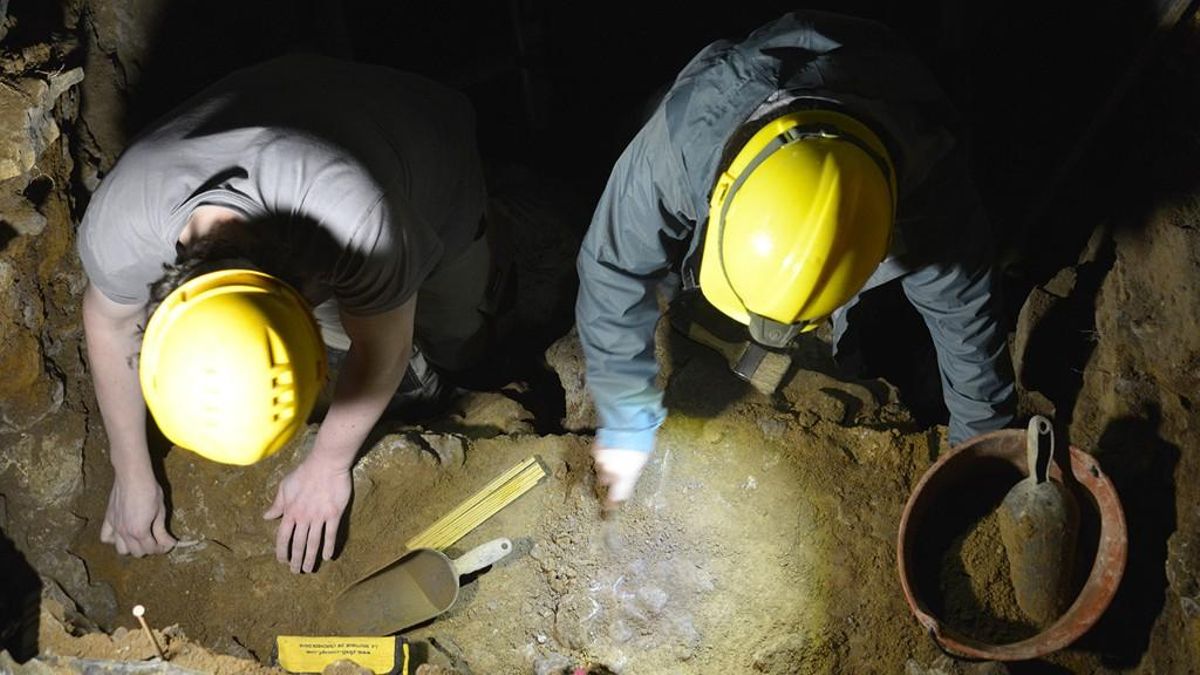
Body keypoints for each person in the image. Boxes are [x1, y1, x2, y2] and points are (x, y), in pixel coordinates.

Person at [79, 53, 509, 573]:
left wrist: (329, 464)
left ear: (310, 295)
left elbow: (383, 346)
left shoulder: (361, 224)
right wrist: (130, 471)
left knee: (459, 327)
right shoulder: (121, 228)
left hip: (424, 140)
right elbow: (109, 321)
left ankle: (505, 258)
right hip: (297, 106)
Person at [576, 10, 1016, 508]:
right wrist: (627, 418)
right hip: (740, 102)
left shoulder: (935, 196)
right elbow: (613, 268)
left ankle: (852, 348)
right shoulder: (675, 151)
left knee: (879, 332)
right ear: (719, 196)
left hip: (889, 93)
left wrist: (980, 454)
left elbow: (967, 325)